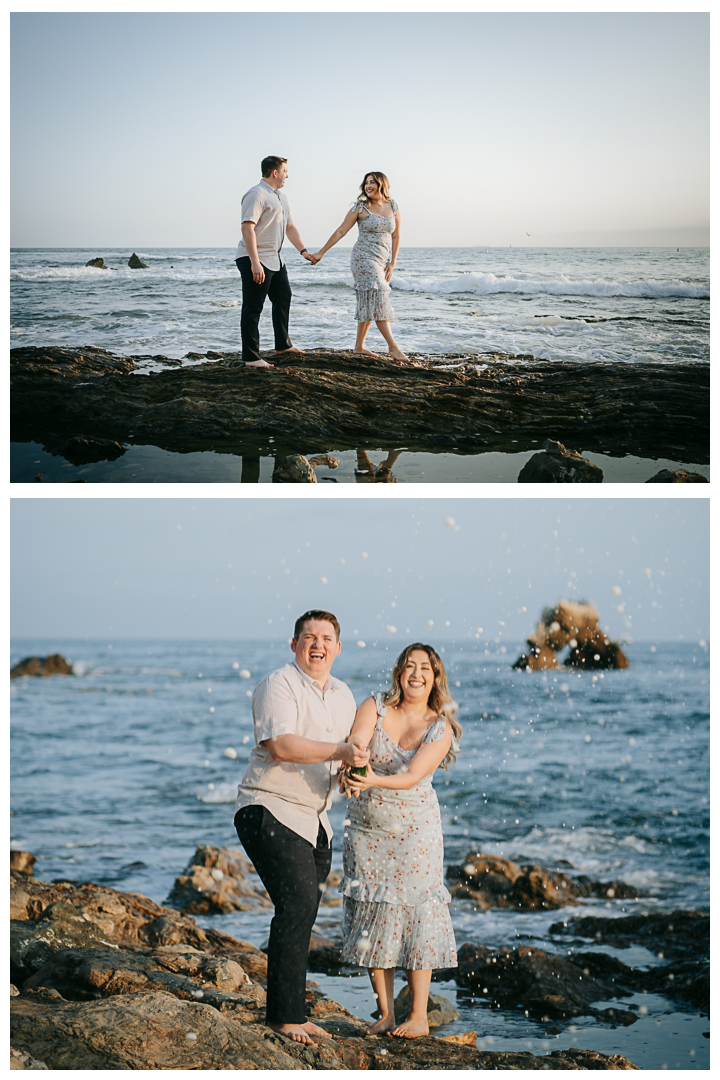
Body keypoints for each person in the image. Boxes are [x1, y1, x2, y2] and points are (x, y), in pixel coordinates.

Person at [233, 610, 369, 1045]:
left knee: (302, 910)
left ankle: (292, 1011)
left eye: (326, 638)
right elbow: (282, 745)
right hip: (267, 807)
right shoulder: (279, 684)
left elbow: (347, 757)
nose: (318, 644)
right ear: (293, 645)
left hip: (313, 821)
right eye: (309, 637)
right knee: (296, 906)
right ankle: (285, 1017)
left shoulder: (344, 695)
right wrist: (342, 750)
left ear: (338, 648)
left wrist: (350, 772)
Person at [340, 643, 461, 1037]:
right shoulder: (374, 707)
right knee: (376, 913)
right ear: (398, 672)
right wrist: (350, 768)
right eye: (409, 666)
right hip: (367, 832)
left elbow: (411, 777)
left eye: (425, 668)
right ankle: (387, 1014)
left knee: (416, 915)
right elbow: (356, 746)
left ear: (435, 677)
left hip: (416, 835)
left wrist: (371, 778)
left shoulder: (440, 727)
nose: (416, 673)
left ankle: (419, 1016)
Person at [311, 172, 409, 361]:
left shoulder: (394, 206)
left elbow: (396, 236)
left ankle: (359, 346)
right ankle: (393, 347)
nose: (368, 186)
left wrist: (393, 262)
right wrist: (321, 252)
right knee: (379, 296)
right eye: (366, 183)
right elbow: (341, 231)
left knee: (367, 300)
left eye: (372, 182)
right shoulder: (360, 207)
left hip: (381, 261)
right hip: (363, 258)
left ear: (382, 184)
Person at [235, 156, 315, 368]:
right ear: (275, 173)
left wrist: (303, 251)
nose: (287, 175)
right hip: (254, 258)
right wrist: (254, 263)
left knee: (283, 297)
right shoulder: (256, 194)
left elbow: (289, 226)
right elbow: (247, 228)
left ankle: (283, 345)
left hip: (275, 260)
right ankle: (251, 358)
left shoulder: (281, 197)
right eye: (285, 171)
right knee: (253, 308)